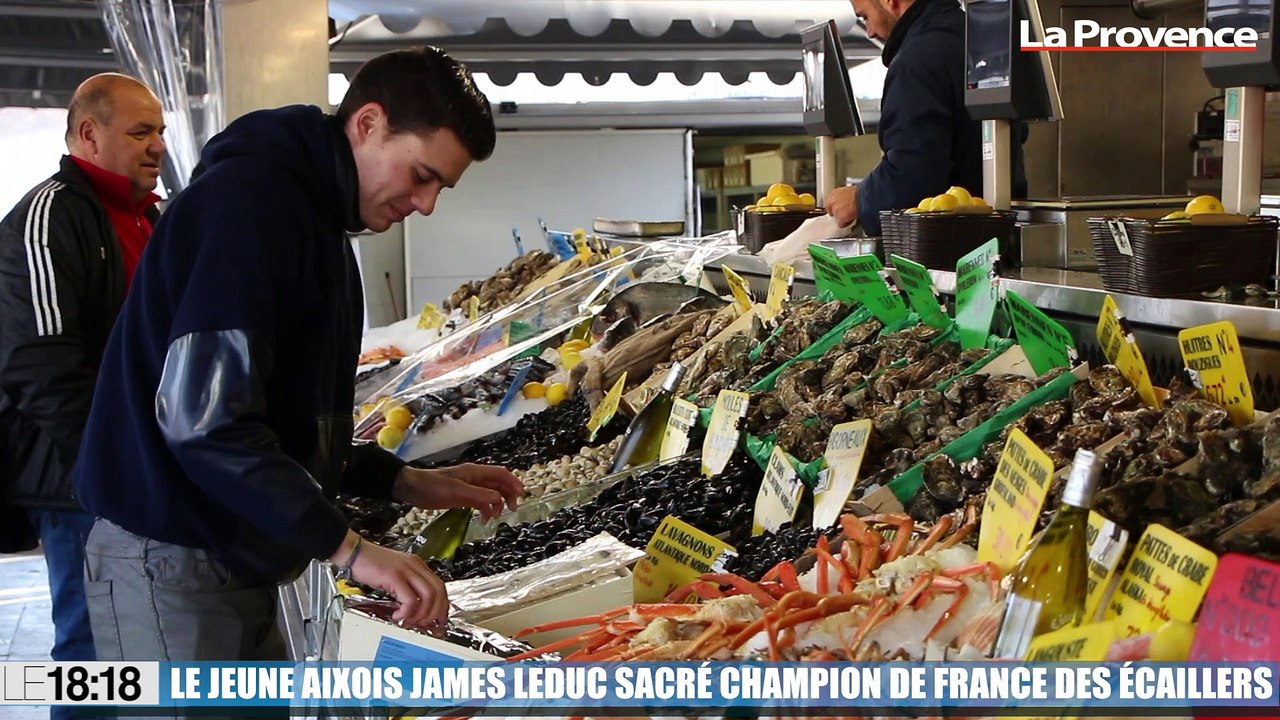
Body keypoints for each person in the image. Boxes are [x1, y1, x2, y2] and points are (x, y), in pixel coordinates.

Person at [74, 46, 522, 663]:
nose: (426, 205)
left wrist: (402, 478)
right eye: (421, 176)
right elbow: (205, 425)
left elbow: (284, 415)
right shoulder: (249, 205)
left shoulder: (316, 218)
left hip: (230, 545)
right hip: (175, 554)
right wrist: (351, 550)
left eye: (440, 187)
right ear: (367, 124)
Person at [0, 73, 165, 714]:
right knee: (93, 653)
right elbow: (38, 364)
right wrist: (114, 461)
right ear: (89, 133)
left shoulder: (150, 217)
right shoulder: (50, 216)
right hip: (80, 483)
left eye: (160, 132)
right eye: (140, 131)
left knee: (141, 646)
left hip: (143, 470)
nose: (156, 146)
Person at [826, 0, 1027, 234]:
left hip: (950, 249)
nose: (869, 31)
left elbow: (913, 177)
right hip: (1005, 238)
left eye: (865, 17)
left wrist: (859, 199)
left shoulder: (915, 62)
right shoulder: (981, 40)